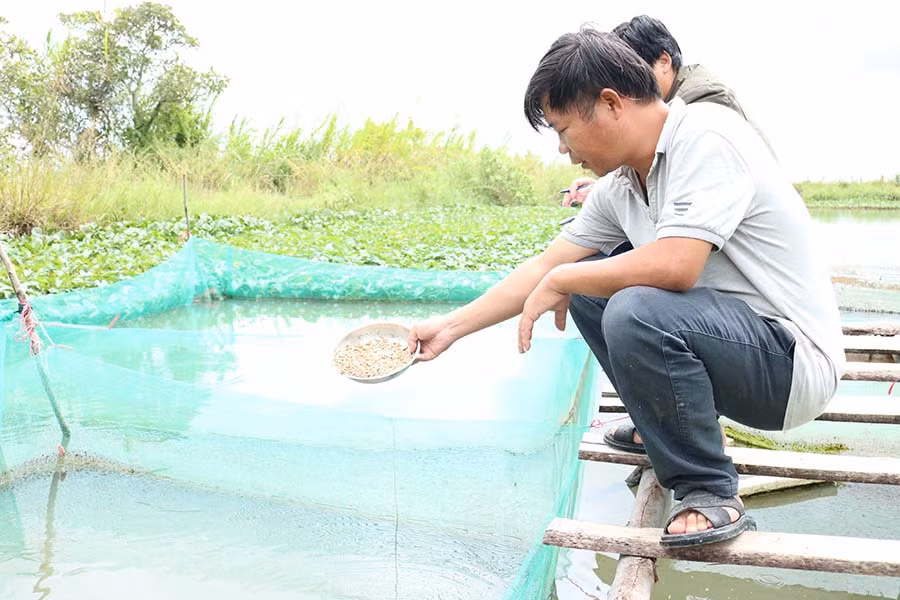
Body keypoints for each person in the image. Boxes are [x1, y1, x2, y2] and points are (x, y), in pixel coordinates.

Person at [408, 27, 844, 547]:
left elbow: (678, 265)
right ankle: (652, 424)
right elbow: (543, 265)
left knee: (631, 304)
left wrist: (566, 277)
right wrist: (448, 329)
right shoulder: (619, 187)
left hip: (791, 367)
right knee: (598, 288)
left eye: (565, 131)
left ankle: (709, 489)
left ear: (611, 104)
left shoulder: (707, 136)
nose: (565, 153)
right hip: (730, 351)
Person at [562, 15, 769, 207]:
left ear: (664, 61)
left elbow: (695, 180)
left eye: (635, 71)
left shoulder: (702, 104)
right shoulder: (663, 108)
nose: (625, 86)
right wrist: (607, 187)